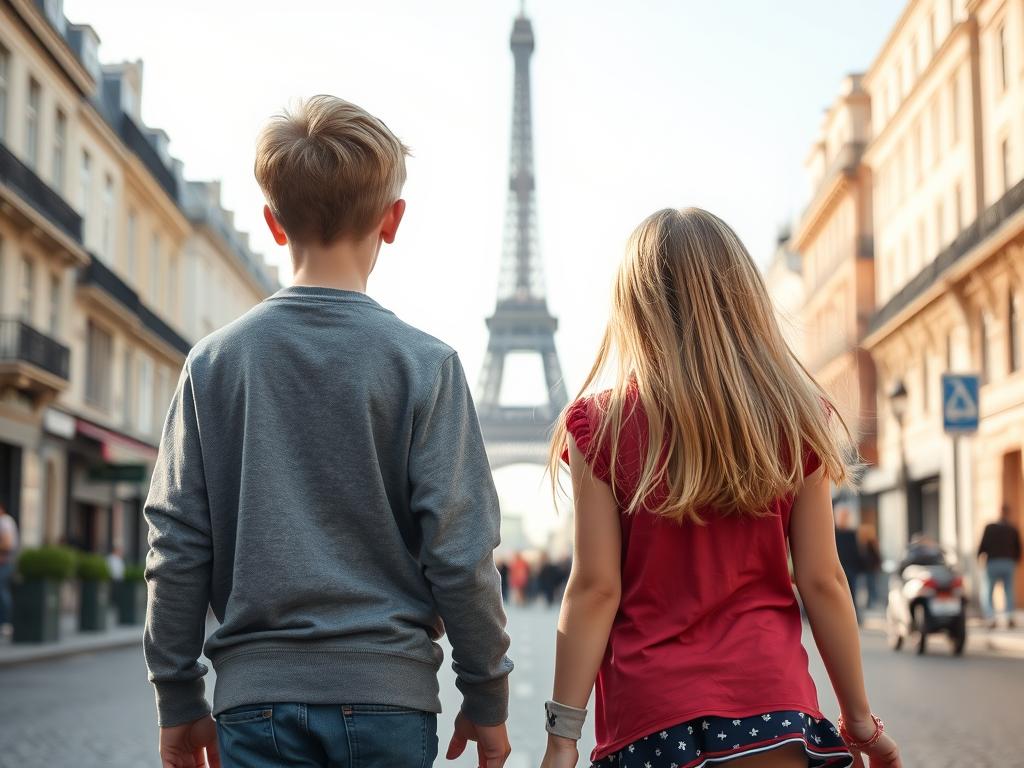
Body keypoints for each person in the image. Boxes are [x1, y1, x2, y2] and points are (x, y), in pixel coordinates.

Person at [144, 96, 513, 768]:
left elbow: (177, 543)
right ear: (392, 220)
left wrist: (178, 698)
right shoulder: (425, 365)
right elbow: (460, 552)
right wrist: (486, 693)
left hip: (254, 701)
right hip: (389, 699)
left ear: (273, 223)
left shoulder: (215, 364)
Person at [541, 209, 901, 768]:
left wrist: (563, 735)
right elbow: (823, 580)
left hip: (650, 719)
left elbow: (593, 590)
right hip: (771, 709)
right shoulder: (794, 418)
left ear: (634, 308)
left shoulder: (602, 424)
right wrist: (859, 723)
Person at [978, 504, 1022, 629]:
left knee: (988, 590)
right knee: (1008, 590)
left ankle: (991, 617)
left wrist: (979, 557)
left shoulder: (990, 527)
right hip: (1008, 562)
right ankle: (1009, 616)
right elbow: (1018, 548)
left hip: (993, 562)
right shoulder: (1013, 529)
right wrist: (1016, 560)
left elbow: (983, 544)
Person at [834, 507, 863, 616]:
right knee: (839, 593)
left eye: (846, 516)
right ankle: (840, 614)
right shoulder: (833, 532)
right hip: (838, 568)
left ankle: (853, 615)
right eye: (842, 516)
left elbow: (856, 552)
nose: (844, 519)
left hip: (851, 569)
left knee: (852, 593)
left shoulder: (852, 534)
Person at [0, 505, 18, 635]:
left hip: (4, 562)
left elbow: (8, 543)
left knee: (2, 591)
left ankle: (6, 623)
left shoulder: (4, 521)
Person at [857, 524, 882, 609]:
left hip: (870, 568)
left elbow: (877, 556)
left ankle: (871, 602)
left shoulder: (871, 542)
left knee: (871, 585)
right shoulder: (862, 543)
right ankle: (870, 602)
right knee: (868, 585)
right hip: (866, 568)